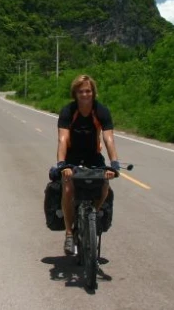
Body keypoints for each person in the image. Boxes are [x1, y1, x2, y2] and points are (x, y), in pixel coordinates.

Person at [54, 74, 120, 256]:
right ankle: (69, 233)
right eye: (81, 91)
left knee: (105, 184)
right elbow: (62, 138)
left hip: (93, 156)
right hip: (71, 156)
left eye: (88, 91)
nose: (85, 94)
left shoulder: (101, 111)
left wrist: (114, 163)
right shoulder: (68, 111)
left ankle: (93, 214)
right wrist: (62, 164)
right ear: (75, 93)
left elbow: (108, 138)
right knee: (68, 188)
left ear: (93, 92)